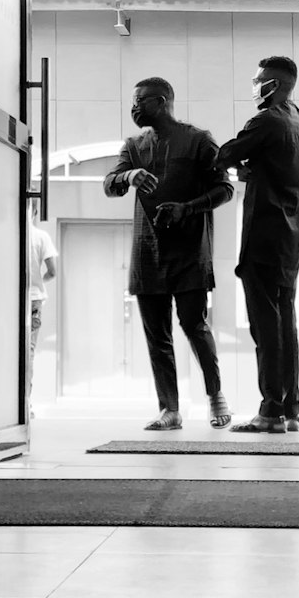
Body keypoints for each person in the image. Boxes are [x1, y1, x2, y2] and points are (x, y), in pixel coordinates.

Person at [104, 77, 234, 431]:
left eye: (140, 101)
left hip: (190, 251)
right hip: (147, 254)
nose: (133, 108)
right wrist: (128, 175)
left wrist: (187, 208)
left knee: (194, 325)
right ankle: (170, 410)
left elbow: (225, 189)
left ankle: (215, 395)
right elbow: (109, 185)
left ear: (161, 102)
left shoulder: (198, 140)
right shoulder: (133, 145)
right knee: (156, 335)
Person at [215, 56, 299, 434]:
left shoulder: (266, 120)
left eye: (258, 80)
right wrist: (248, 168)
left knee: (265, 328)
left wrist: (235, 166)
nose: (254, 85)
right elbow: (269, 164)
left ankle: (269, 411)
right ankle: (291, 411)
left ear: (273, 83)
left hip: (262, 238)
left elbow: (224, 155)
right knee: (286, 326)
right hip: (290, 241)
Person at [27, 209, 58, 418]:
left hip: (8, 300)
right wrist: (38, 282)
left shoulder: (7, 235)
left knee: (8, 352)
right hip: (34, 299)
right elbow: (52, 271)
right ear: (35, 211)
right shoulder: (40, 237)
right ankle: (24, 404)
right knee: (28, 352)